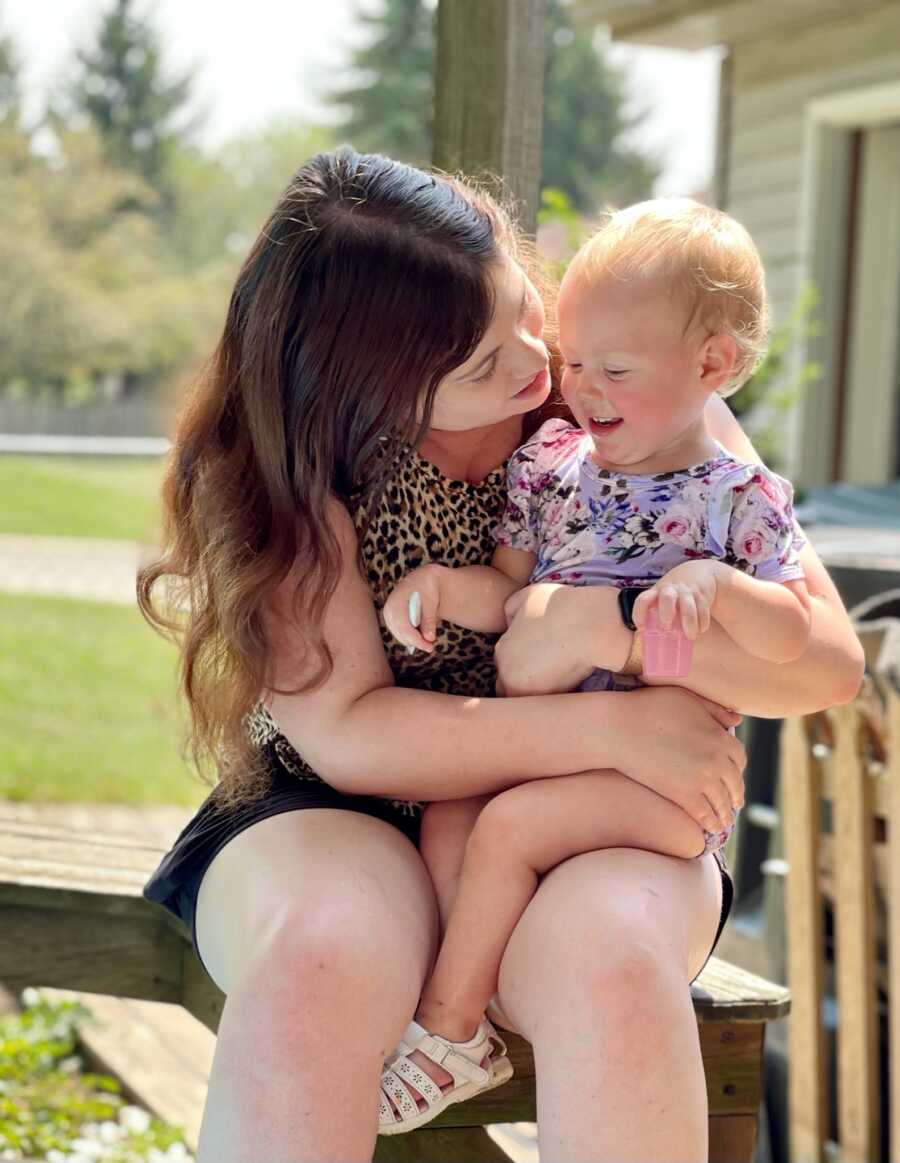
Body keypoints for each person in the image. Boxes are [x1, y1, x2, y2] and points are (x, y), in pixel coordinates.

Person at [137, 148, 863, 1163]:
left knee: (609, 953)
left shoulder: (618, 372)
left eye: (525, 309)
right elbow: (350, 730)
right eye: (483, 364)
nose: (535, 366)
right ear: (362, 392)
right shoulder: (278, 466)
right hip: (333, 807)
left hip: (606, 802)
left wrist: (608, 633)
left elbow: (822, 662)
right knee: (322, 949)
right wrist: (608, 719)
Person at [378, 199, 812, 1132]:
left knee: (508, 828)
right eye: (574, 359)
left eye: (614, 369)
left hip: (661, 781)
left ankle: (450, 1027)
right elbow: (511, 593)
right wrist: (441, 588)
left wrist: (718, 588)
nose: (583, 386)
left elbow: (794, 633)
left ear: (714, 366)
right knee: (452, 810)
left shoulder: (738, 499)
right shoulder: (554, 469)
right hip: (558, 744)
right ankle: (504, 988)